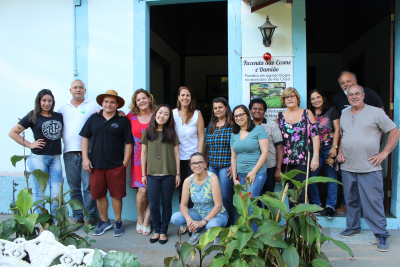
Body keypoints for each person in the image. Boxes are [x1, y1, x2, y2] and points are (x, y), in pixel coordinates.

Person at [337, 84, 400, 252]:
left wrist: (384, 153)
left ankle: (381, 234)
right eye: (351, 94)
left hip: (370, 166)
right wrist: (341, 152)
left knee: (373, 201)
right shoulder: (344, 114)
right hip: (348, 166)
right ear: (348, 97)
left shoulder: (376, 112)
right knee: (351, 200)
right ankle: (353, 227)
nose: (354, 96)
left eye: (357, 93)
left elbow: (394, 131)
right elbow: (344, 136)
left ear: (363, 95)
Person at [80, 90, 133, 237]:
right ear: (102, 103)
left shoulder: (122, 120)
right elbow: (85, 138)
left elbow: (129, 142)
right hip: (95, 166)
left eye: (112, 102)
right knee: (99, 195)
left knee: (117, 196)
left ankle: (118, 221)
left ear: (117, 105)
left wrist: (125, 162)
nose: (108, 104)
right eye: (106, 101)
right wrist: (85, 158)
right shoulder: (93, 118)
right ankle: (104, 221)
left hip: (116, 165)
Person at [331, 71, 385, 213]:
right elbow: (339, 128)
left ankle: (370, 214)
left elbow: (383, 123)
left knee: (369, 185)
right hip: (348, 153)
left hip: (369, 153)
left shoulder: (370, 94)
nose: (345, 85)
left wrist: (378, 145)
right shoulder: (337, 99)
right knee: (348, 183)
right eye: (342, 83)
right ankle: (346, 205)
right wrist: (339, 149)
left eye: (348, 81)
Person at [9, 89, 63, 218]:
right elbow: (12, 133)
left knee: (56, 192)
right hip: (39, 158)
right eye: (44, 100)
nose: (47, 103)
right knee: (40, 191)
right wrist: (29, 144)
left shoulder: (58, 116)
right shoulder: (32, 116)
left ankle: (55, 222)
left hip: (55, 158)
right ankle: (41, 224)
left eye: (49, 100)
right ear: (39, 101)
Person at [57, 80, 99, 228]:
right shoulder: (63, 107)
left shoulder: (93, 105)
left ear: (85, 90)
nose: (78, 89)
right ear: (70, 90)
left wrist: (120, 113)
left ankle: (89, 216)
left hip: (87, 152)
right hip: (69, 152)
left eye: (81, 87)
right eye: (75, 87)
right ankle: (77, 216)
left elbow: (106, 114)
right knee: (74, 187)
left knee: (88, 187)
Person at [141, 104, 180, 245]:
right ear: (155, 113)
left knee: (166, 203)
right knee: (154, 205)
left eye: (166, 114)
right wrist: (143, 175)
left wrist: (178, 174)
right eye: (160, 112)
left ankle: (163, 231)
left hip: (169, 174)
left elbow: (176, 154)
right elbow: (143, 153)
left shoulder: (171, 134)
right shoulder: (147, 132)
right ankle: (157, 230)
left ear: (169, 118)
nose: (162, 116)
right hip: (152, 175)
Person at [171, 152, 228, 245]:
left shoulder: (212, 178)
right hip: (198, 213)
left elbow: (218, 205)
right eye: (194, 163)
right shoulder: (188, 181)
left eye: (200, 162)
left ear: (205, 164)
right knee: (175, 218)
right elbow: (183, 205)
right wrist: (189, 219)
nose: (197, 165)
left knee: (211, 225)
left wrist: (203, 222)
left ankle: (216, 234)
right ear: (190, 166)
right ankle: (197, 232)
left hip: (217, 214)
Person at [276, 87, 320, 206]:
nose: (289, 99)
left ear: (297, 98)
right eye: (286, 97)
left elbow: (315, 136)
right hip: (286, 162)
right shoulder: (279, 116)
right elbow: (277, 141)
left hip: (303, 160)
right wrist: (278, 166)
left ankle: (301, 223)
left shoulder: (307, 113)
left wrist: (316, 156)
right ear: (283, 100)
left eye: (292, 96)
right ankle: (292, 224)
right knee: (290, 195)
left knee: (301, 194)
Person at [231, 105, 269, 231]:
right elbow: (234, 157)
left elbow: (265, 152)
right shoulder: (234, 133)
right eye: (236, 116)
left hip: (256, 173)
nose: (238, 118)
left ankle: (253, 237)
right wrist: (235, 178)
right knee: (243, 206)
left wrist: (253, 171)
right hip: (240, 175)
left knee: (251, 205)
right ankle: (249, 232)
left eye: (241, 114)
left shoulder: (258, 130)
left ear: (247, 115)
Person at [127, 89, 156, 236]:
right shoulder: (130, 117)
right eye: (139, 100)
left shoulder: (157, 114)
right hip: (138, 158)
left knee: (152, 190)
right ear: (135, 102)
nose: (142, 101)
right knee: (142, 191)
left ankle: (147, 220)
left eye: (144, 98)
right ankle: (139, 217)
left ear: (149, 99)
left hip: (156, 157)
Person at [307, 89, 340, 219]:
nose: (316, 100)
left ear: (323, 98)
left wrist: (334, 147)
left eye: (318, 97)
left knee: (331, 178)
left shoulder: (331, 110)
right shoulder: (308, 113)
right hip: (314, 150)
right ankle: (317, 205)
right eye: (313, 98)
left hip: (328, 149)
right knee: (311, 179)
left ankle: (330, 207)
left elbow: (337, 130)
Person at [173, 86, 205, 207]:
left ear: (191, 98)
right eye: (183, 95)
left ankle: (190, 220)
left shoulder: (197, 114)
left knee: (190, 189)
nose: (185, 97)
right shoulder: (172, 113)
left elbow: (201, 137)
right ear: (178, 97)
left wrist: (199, 158)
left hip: (191, 159)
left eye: (188, 95)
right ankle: (183, 219)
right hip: (175, 158)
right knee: (180, 188)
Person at [205, 97, 234, 227]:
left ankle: (228, 226)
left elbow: (237, 147)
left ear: (226, 108)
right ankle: (216, 225)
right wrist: (205, 163)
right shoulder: (211, 126)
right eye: (215, 108)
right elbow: (207, 147)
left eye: (220, 107)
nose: (218, 110)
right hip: (212, 166)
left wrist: (234, 166)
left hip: (226, 167)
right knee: (213, 197)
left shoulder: (232, 125)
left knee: (225, 197)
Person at [249, 98, 284, 194]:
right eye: (254, 108)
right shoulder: (246, 126)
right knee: (254, 196)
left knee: (268, 197)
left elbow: (280, 148)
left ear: (264, 111)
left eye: (260, 109)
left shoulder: (272, 125)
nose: (257, 111)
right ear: (250, 110)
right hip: (251, 167)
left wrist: (278, 169)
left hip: (269, 167)